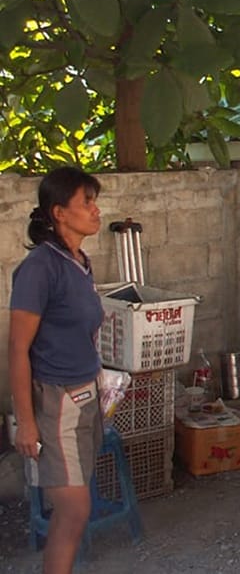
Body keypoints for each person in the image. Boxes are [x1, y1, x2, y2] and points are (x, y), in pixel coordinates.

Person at [9, 167, 104, 574]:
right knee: (73, 511)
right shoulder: (40, 267)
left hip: (85, 398)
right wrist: (27, 423)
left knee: (78, 509)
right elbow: (17, 348)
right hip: (56, 403)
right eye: (87, 203)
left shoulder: (79, 262)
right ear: (59, 213)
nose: (96, 210)